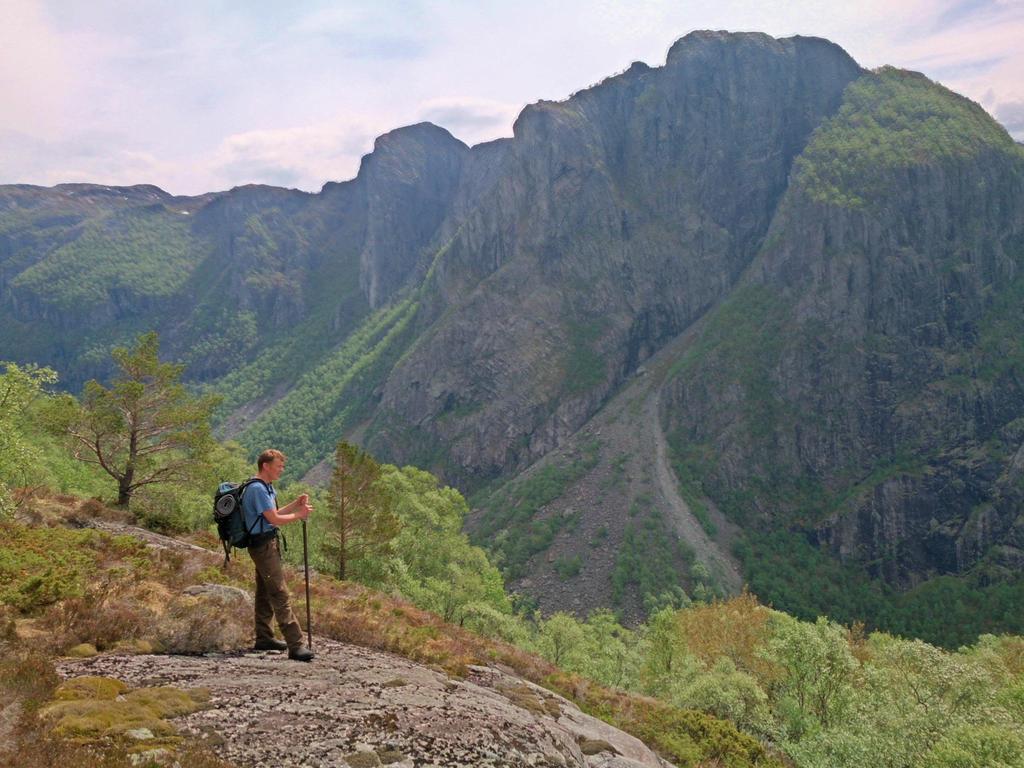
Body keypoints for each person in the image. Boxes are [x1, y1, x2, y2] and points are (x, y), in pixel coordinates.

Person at [242, 448, 315, 662]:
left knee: (265, 590)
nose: (281, 470)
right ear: (266, 466)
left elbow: (272, 514)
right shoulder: (257, 489)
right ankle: (296, 645)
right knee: (279, 592)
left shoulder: (265, 487)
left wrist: (295, 504)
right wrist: (299, 514)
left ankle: (264, 637)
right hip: (262, 546)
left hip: (264, 544)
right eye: (278, 466)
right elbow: (273, 519)